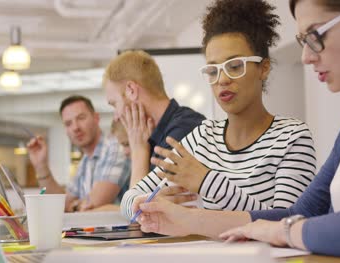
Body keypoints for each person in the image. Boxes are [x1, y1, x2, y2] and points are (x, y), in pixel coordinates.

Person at [134, 0, 340, 262]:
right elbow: (296, 214)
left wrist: (284, 231)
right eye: (303, 41)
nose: (306, 56)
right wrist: (185, 220)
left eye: (316, 35)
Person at [121, 0, 317, 219]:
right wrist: (145, 203)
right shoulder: (202, 137)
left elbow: (286, 222)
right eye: (213, 71)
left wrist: (207, 181)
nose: (222, 79)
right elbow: (129, 198)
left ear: (263, 68)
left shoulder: (292, 138)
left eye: (234, 67)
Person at [103, 50, 206, 191]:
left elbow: (139, 208)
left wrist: (138, 151)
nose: (116, 116)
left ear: (131, 90)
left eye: (114, 104)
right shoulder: (149, 137)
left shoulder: (184, 128)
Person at [27, 95, 131, 212]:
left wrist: (74, 206)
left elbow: (93, 205)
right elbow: (61, 204)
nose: (75, 127)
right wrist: (41, 166)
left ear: (96, 118)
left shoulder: (116, 148)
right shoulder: (85, 162)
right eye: (68, 123)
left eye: (81, 118)